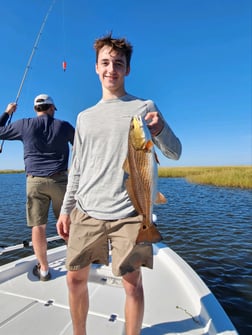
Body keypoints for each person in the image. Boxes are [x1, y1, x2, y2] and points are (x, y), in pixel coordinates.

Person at [56, 33, 182, 335]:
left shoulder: (144, 106)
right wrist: (65, 209)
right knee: (74, 279)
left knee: (132, 284)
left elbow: (174, 152)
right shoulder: (84, 117)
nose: (111, 68)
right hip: (86, 210)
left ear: (127, 69)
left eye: (118, 63)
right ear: (96, 68)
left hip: (130, 213)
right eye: (105, 63)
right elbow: (77, 168)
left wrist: (160, 128)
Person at [0, 94, 75, 281]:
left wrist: (7, 112)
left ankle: (43, 270)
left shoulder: (24, 124)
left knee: (38, 227)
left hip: (34, 182)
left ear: (36, 109)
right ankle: (76, 263)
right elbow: (83, 147)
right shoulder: (64, 126)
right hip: (60, 182)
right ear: (51, 108)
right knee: (67, 224)